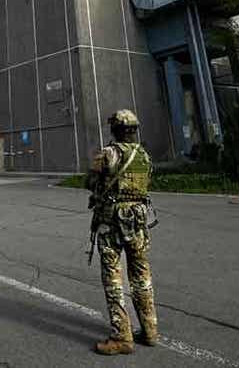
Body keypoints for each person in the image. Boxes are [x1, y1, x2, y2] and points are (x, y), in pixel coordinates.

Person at [86, 109, 158, 355]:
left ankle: (122, 337)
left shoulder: (108, 154)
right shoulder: (144, 155)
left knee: (113, 278)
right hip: (138, 222)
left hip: (112, 224)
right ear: (134, 130)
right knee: (141, 275)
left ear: (115, 130)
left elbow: (90, 182)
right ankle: (150, 331)